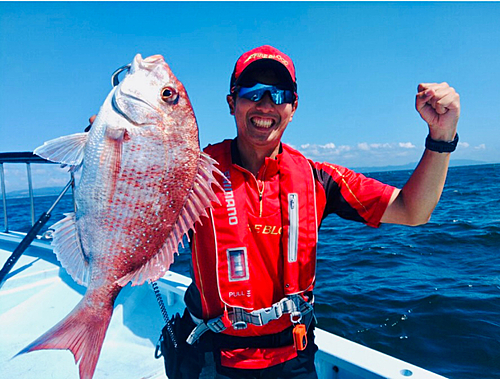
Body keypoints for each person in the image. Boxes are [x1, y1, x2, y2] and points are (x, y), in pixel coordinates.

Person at [177, 45, 460, 379]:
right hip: (212, 358)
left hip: (293, 360)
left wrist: (441, 136)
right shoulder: (190, 174)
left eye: (279, 94)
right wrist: (108, 147)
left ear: (293, 107)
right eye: (252, 92)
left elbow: (413, 210)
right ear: (231, 102)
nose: (266, 104)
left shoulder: (318, 179)